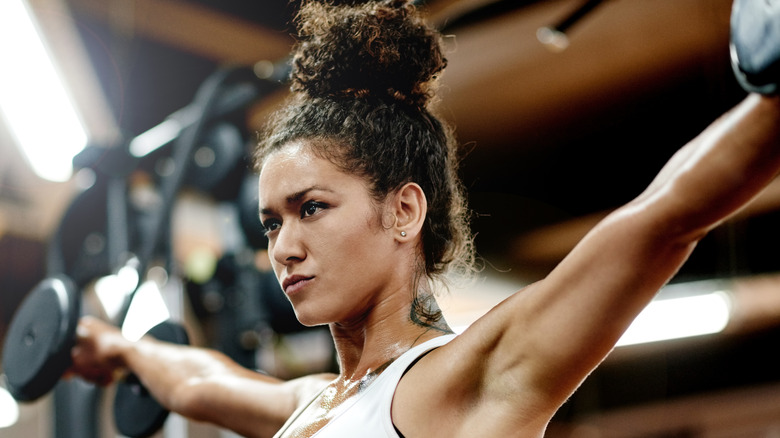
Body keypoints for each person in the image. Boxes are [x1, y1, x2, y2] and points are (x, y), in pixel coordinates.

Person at [69, 0, 780, 437]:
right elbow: (197, 384)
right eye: (270, 224)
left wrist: (769, 103)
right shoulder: (314, 405)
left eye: (312, 209)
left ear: (404, 210)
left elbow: (662, 218)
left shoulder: (469, 378)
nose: (284, 247)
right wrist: (120, 349)